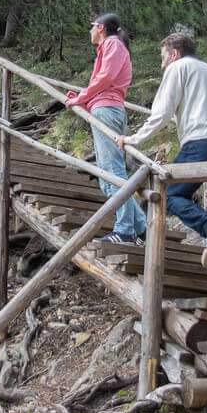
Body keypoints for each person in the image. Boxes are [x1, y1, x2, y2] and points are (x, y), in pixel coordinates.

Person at [116, 33, 207, 305]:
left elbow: (161, 113)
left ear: (173, 53)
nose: (161, 65)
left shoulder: (178, 68)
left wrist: (131, 139)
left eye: (162, 58)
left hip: (203, 140)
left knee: (168, 194)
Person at [65, 13, 147, 245]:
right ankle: (141, 228)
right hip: (107, 108)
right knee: (107, 176)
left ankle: (125, 231)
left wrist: (82, 97)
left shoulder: (112, 44)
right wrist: (83, 98)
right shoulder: (112, 46)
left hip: (107, 110)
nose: (90, 32)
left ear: (100, 28)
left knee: (112, 174)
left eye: (92, 27)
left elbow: (105, 77)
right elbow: (104, 81)